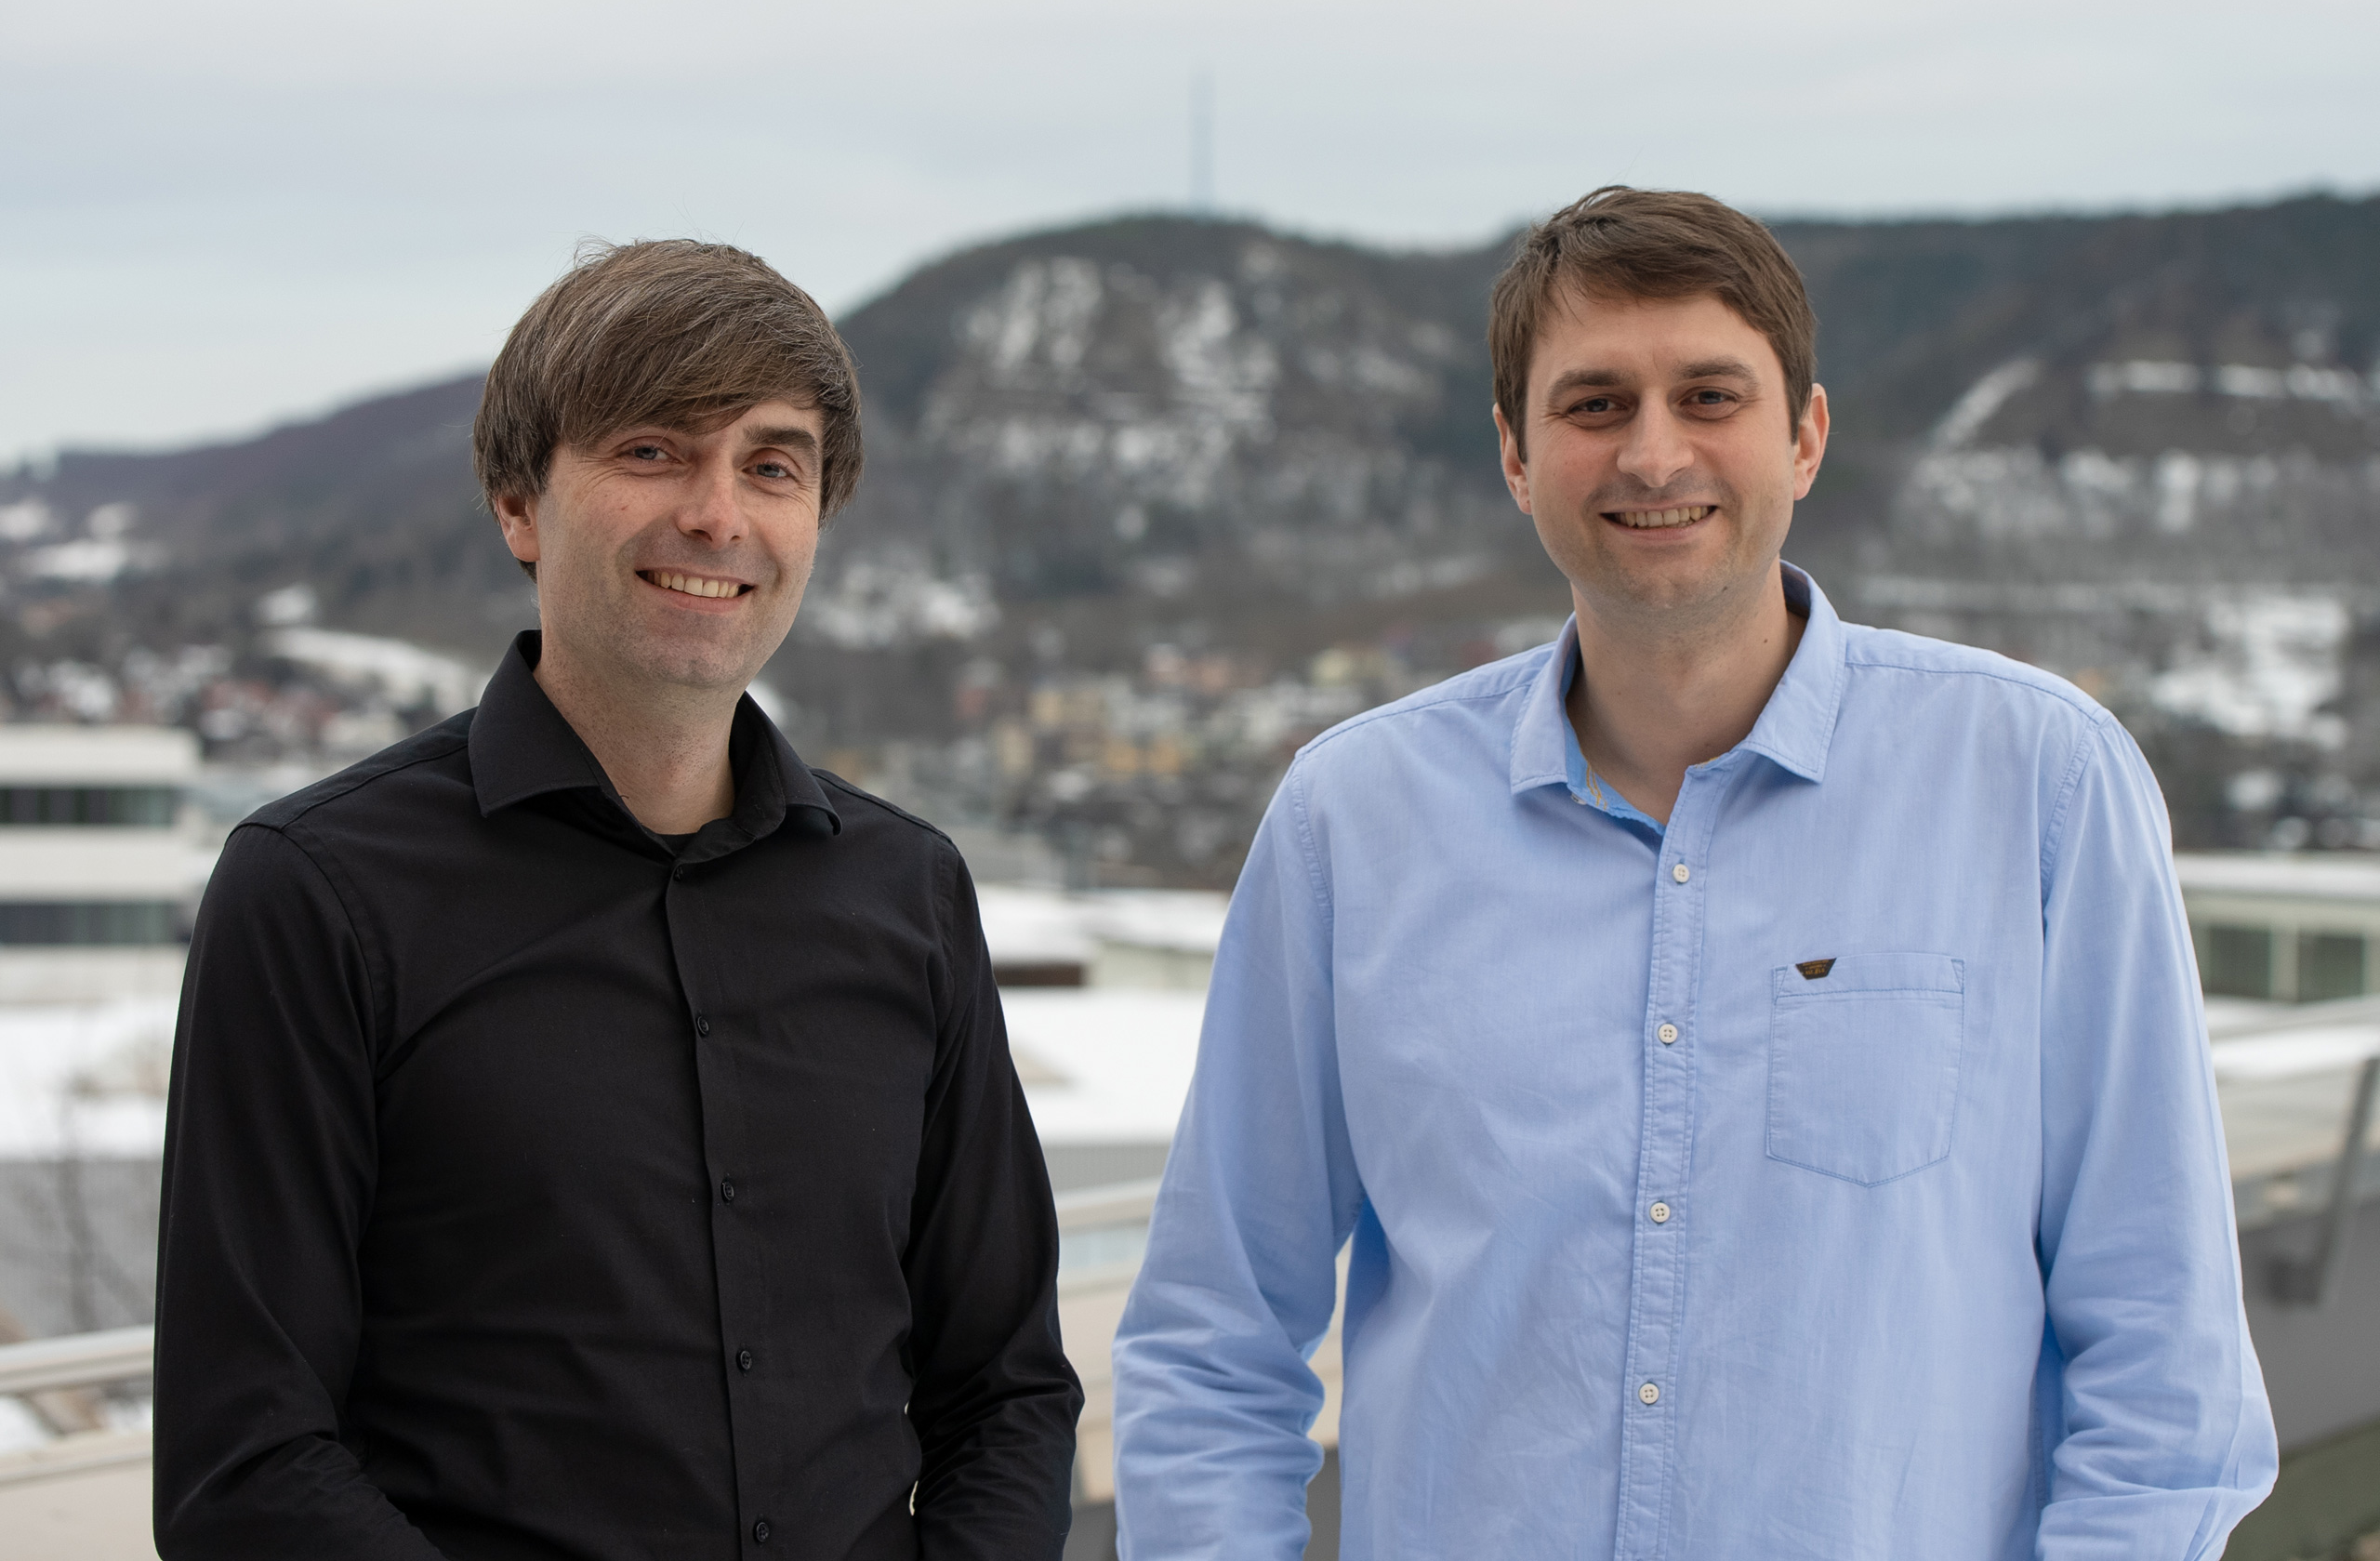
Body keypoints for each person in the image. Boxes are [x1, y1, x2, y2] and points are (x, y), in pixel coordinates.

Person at [1110, 187, 2275, 1558]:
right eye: (1594, 404)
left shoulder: (2040, 785)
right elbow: (1212, 1341)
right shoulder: (1351, 822)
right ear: (1513, 454)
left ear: (1806, 437)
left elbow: (2163, 1355)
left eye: (1709, 395)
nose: (1653, 455)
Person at [154, 240, 1081, 1560]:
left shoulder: (909, 891)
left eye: (772, 465)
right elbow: (244, 1461)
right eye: (652, 450)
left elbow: (1008, 1393)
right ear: (519, 505)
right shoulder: (319, 893)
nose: (719, 515)